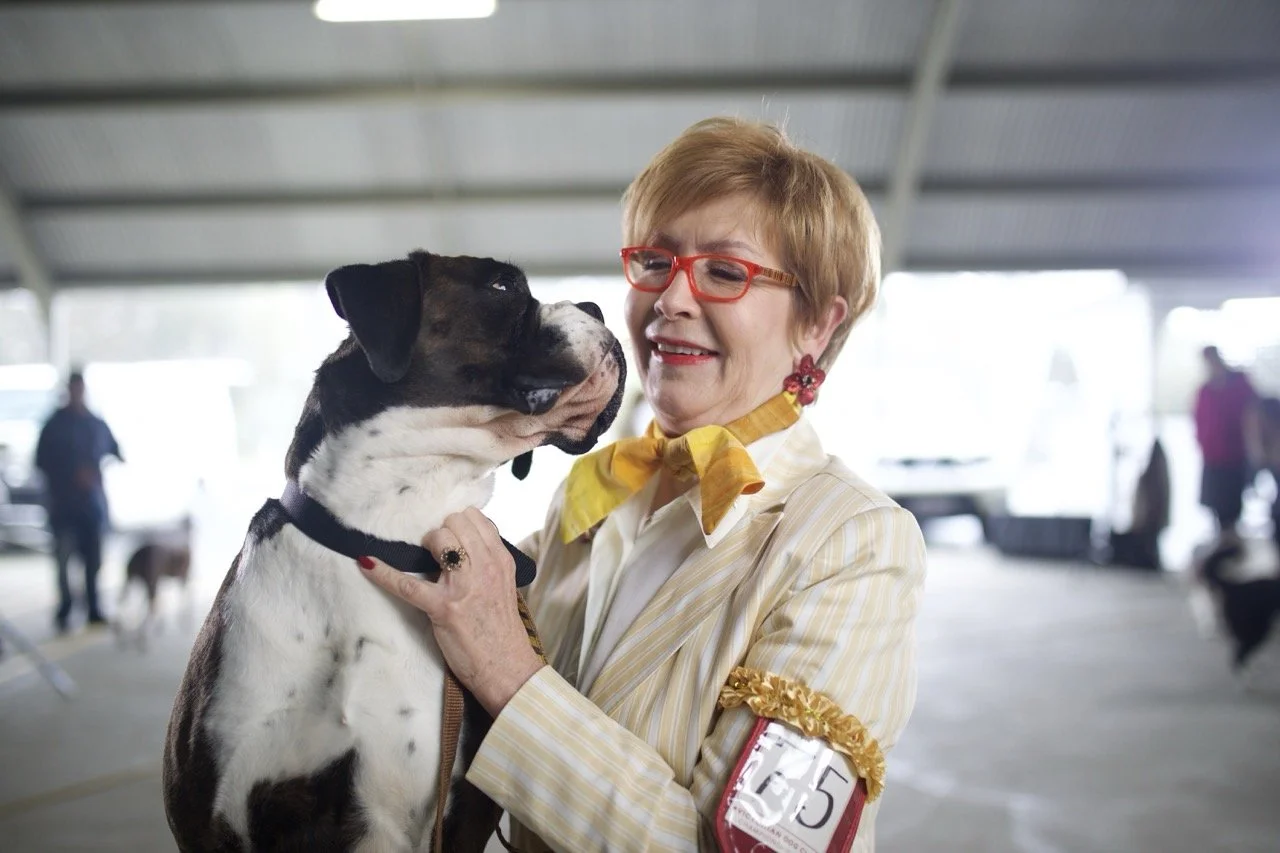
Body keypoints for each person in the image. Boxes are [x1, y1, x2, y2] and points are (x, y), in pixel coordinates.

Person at [359, 117, 926, 851]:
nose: (670, 300)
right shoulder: (596, 495)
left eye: (725, 271)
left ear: (818, 322)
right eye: (655, 261)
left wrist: (508, 671)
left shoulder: (855, 544)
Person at [35, 371, 122, 632]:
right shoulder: (54, 425)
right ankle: (65, 608)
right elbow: (40, 462)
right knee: (63, 561)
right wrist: (70, 475)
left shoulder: (94, 423)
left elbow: (116, 451)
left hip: (91, 507)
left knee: (93, 562)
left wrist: (94, 473)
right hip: (63, 506)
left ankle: (93, 608)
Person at [1194, 346, 1258, 534]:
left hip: (1235, 458)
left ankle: (1231, 541)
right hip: (1213, 458)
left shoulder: (1240, 384)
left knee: (1232, 507)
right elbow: (1198, 421)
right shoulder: (1205, 391)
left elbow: (1254, 415)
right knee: (1216, 507)